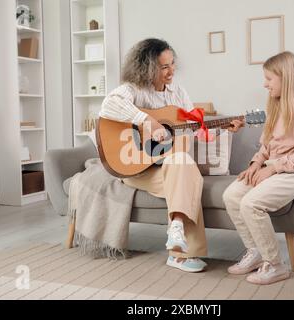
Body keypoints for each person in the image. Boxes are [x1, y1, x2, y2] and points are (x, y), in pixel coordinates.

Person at [100, 38, 244, 272]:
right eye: (164, 67)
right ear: (147, 68)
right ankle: (180, 255)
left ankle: (176, 228)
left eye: (172, 64)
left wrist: (222, 129)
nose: (171, 71)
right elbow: (109, 105)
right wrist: (145, 120)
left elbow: (194, 130)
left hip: (172, 168)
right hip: (136, 168)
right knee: (189, 177)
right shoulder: (133, 89)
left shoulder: (178, 93)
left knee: (182, 161)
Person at [222, 51, 294, 284]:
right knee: (231, 195)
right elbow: (266, 145)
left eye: (269, 79)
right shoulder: (276, 107)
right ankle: (256, 252)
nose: (265, 84)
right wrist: (256, 163)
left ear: (286, 78)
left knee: (251, 204)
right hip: (270, 168)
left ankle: (276, 265)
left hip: (291, 173)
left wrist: (272, 168)